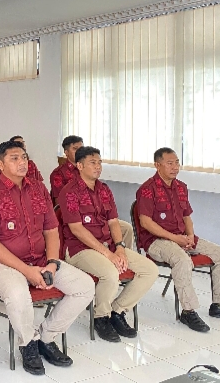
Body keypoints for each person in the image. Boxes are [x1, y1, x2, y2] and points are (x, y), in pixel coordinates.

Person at [0, 140, 94, 376]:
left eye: (24, 157)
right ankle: (28, 343)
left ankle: (45, 338)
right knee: (18, 292)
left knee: (85, 286)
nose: (22, 162)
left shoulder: (38, 189)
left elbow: (51, 230)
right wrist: (27, 271)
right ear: (0, 165)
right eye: (14, 158)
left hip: (40, 260)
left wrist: (52, 262)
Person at [136, 147, 220, 332]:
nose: (175, 167)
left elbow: (186, 216)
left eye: (177, 163)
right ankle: (188, 312)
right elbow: (146, 223)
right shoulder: (147, 190)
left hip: (182, 237)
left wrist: (189, 236)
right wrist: (175, 238)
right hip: (157, 241)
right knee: (182, 260)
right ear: (157, 165)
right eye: (169, 163)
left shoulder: (181, 187)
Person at [61, 146, 158, 342]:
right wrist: (108, 254)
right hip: (80, 249)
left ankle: (117, 311)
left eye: (99, 162)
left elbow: (113, 222)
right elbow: (77, 229)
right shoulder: (69, 192)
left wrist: (120, 248)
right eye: (92, 163)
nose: (98, 166)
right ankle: (101, 317)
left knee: (150, 270)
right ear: (79, 166)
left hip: (108, 245)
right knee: (110, 273)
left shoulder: (104, 189)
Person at [50, 135, 135, 251]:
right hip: (76, 217)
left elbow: (109, 214)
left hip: (97, 216)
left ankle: (122, 253)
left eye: (81, 147)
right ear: (66, 152)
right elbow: (59, 203)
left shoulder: (97, 180)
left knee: (126, 228)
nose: (97, 166)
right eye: (75, 148)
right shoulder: (59, 174)